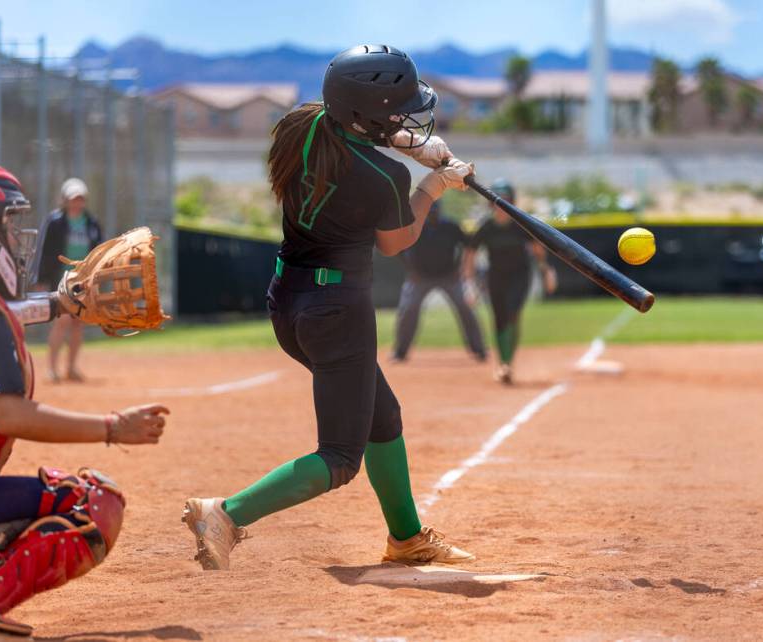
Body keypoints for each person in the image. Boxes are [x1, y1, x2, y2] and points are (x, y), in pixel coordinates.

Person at [182, 45, 476, 571]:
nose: (404, 114)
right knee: (341, 458)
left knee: (382, 417)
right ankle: (225, 513)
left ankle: (406, 539)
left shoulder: (303, 129)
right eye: (395, 108)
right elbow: (396, 241)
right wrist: (434, 185)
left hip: (290, 301)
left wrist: (415, 145)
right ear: (365, 112)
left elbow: (362, 137)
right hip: (339, 312)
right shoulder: (385, 178)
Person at [0, 160, 168, 642]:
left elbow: (1, 317)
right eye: (6, 221)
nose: (15, 234)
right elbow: (7, 414)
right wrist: (112, 426)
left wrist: (61, 305)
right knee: (90, 501)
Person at [464, 180, 557, 385]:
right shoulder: (487, 227)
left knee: (513, 313)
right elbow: (470, 253)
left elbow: (537, 247)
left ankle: (507, 363)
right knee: (499, 319)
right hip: (495, 276)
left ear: (512, 202)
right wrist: (469, 283)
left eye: (504, 201)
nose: (499, 205)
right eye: (496, 201)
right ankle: (503, 364)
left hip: (519, 276)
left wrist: (546, 271)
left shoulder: (520, 224)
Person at [392, 200, 486, 362]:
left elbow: (468, 247)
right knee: (408, 308)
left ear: (440, 211)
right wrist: (410, 269)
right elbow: (399, 248)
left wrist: (462, 269)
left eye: (434, 211)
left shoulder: (450, 226)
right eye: (429, 212)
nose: (432, 214)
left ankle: (479, 349)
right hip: (420, 277)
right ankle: (400, 352)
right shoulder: (414, 226)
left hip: (449, 276)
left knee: (465, 306)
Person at [34, 178, 102, 383]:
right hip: (60, 279)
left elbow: (99, 252)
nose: (77, 202)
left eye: (80, 198)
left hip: (83, 281)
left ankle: (71, 368)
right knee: (62, 321)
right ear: (65, 199)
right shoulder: (55, 221)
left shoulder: (91, 223)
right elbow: (43, 251)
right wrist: (41, 279)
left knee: (78, 323)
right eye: (73, 198)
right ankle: (52, 369)